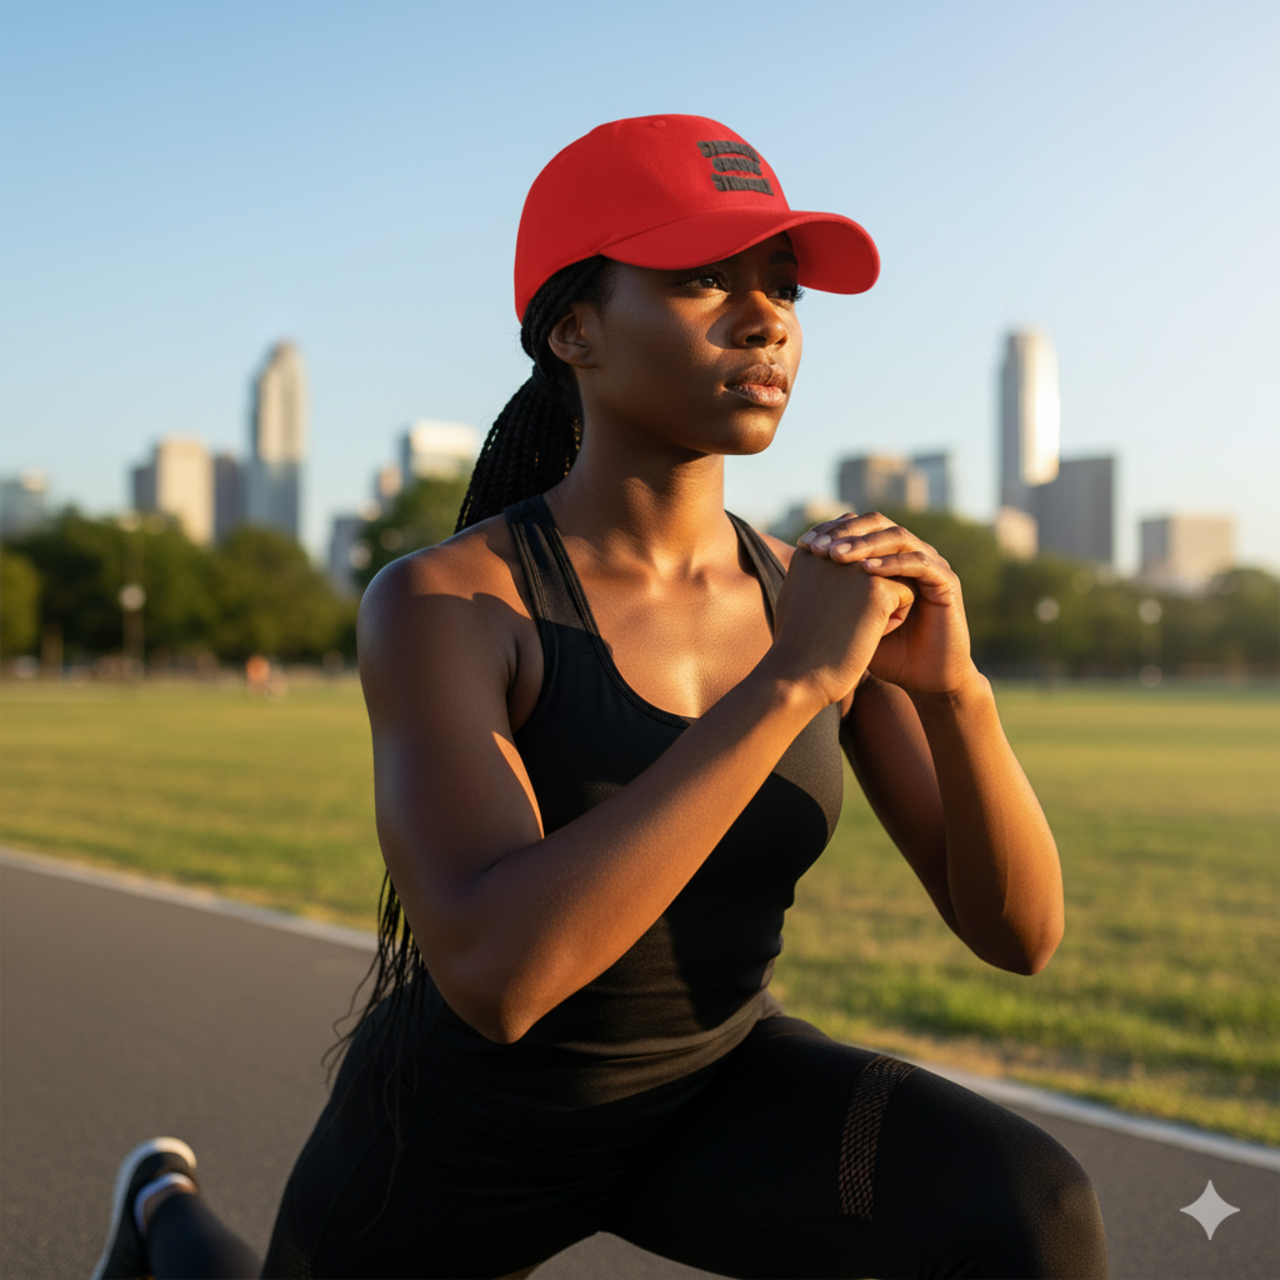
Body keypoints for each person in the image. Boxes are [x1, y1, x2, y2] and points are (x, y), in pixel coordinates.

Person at [94, 114, 1108, 1280]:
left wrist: (956, 693)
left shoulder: (815, 597)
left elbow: (1018, 935)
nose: (766, 318)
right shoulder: (447, 600)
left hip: (710, 1091)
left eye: (781, 285)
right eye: (701, 278)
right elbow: (499, 977)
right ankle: (162, 1212)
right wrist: (788, 685)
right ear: (573, 328)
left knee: (1030, 1204)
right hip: (465, 1135)